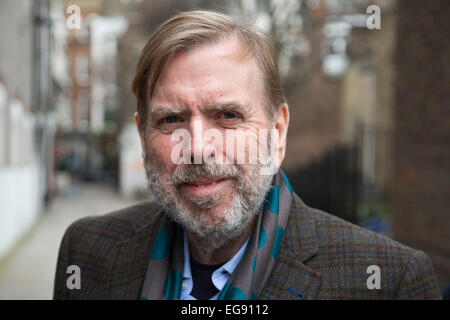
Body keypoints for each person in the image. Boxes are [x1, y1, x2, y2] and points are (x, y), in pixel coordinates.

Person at [53, 10, 442, 300]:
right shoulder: (88, 254)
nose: (199, 148)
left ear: (278, 131)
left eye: (227, 115)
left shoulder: (389, 282)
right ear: (142, 135)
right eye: (171, 119)